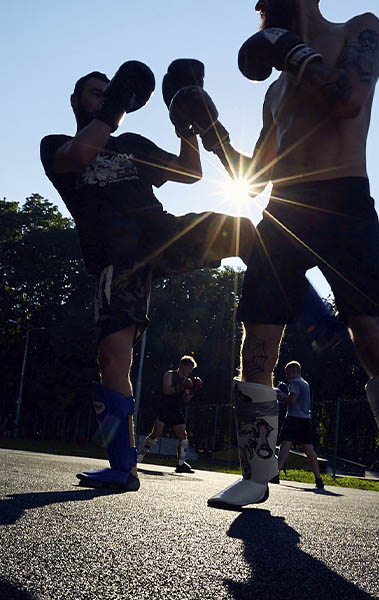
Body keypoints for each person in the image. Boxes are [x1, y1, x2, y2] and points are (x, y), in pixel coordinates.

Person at [200, 1, 379, 543]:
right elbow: (256, 175)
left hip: (344, 198)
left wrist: (292, 50)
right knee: (257, 337)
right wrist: (210, 132)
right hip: (284, 208)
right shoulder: (274, 90)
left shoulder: (358, 31)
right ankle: (255, 475)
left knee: (372, 331)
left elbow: (347, 100)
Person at [40, 59, 342, 492]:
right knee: (112, 355)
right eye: (95, 92)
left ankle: (316, 314)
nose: (104, 98)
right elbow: (79, 156)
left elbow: (191, 171)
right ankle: (122, 467)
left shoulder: (133, 143)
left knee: (244, 230)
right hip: (115, 258)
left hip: (160, 235)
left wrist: (185, 121)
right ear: (76, 101)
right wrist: (116, 105)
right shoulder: (56, 144)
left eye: (110, 91)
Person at [138, 355, 203, 473]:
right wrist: (180, 386)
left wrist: (193, 390)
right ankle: (139, 456)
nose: (190, 371)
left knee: (183, 436)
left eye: (191, 370)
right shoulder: (170, 374)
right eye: (189, 368)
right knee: (155, 434)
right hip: (165, 408)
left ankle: (181, 464)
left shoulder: (187, 381)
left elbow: (186, 399)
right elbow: (166, 390)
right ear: (182, 365)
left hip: (175, 410)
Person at [272, 361, 324, 489]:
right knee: (309, 450)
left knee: (285, 445)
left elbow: (292, 400)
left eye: (288, 373)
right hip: (305, 420)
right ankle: (318, 479)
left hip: (293, 418)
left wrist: (280, 396)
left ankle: (276, 474)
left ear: (294, 372)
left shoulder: (295, 382)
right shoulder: (305, 383)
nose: (287, 377)